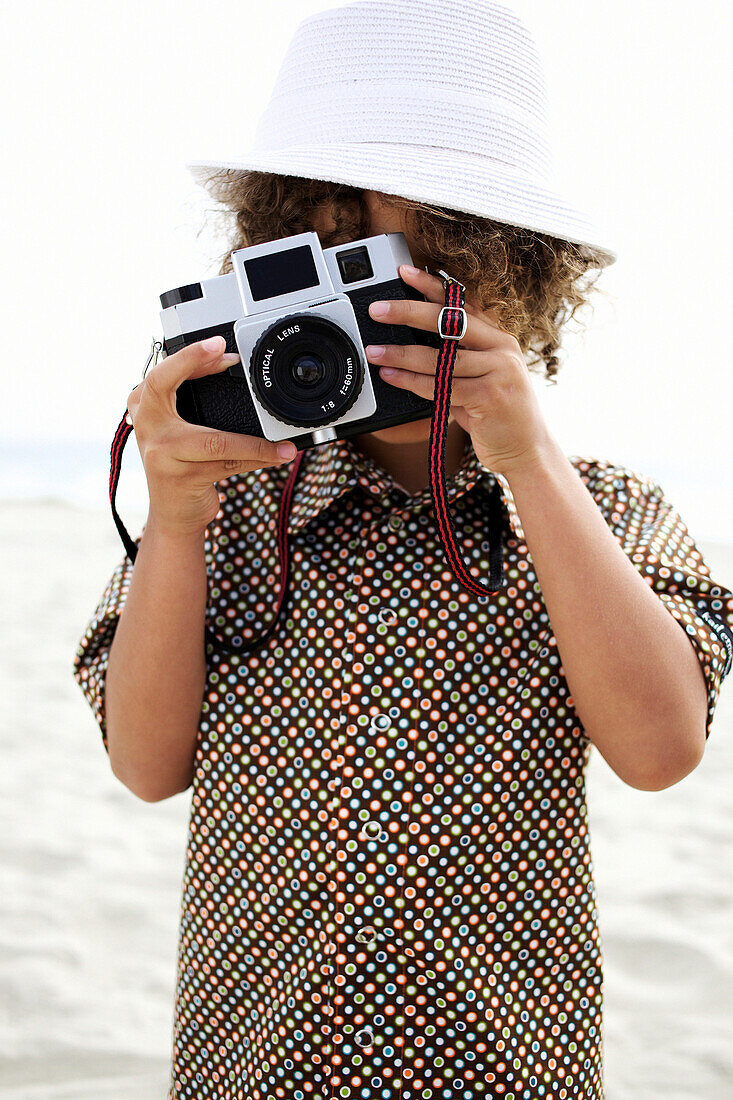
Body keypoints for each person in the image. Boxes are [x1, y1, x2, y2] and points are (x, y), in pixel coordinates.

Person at [73, 1, 733, 1098]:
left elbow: (661, 749)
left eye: (392, 270)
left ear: (502, 270)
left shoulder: (603, 511)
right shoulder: (230, 507)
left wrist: (527, 460)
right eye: (320, 256)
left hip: (507, 1067)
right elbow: (147, 767)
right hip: (254, 1065)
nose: (355, 309)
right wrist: (175, 513)